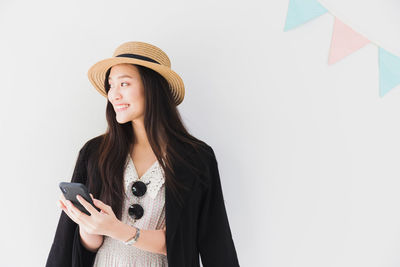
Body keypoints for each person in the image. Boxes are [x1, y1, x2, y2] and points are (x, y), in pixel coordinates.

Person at [45, 41, 240, 267]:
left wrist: (117, 229)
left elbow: (206, 240)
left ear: (152, 87)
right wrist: (90, 226)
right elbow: (80, 247)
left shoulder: (195, 158)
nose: (113, 95)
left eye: (124, 83)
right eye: (111, 85)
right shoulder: (95, 153)